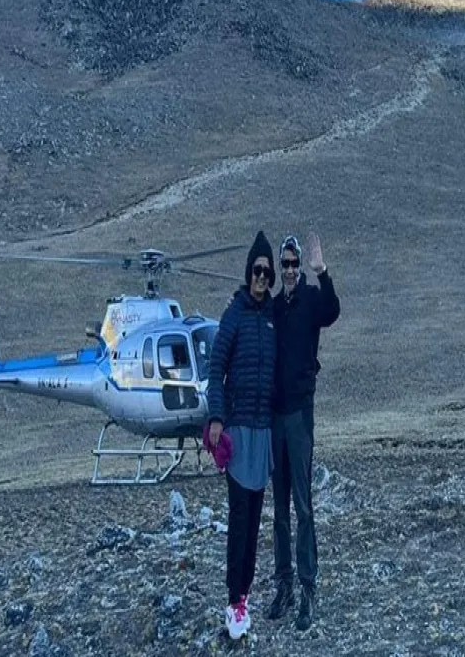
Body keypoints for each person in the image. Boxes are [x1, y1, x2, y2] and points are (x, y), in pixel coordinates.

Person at [266, 232, 340, 631]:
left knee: (303, 505)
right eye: (287, 265)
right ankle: (284, 585)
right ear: (280, 269)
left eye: (296, 265)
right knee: (278, 510)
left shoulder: (312, 300)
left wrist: (322, 272)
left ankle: (309, 588)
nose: (291, 271)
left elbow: (334, 311)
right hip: (275, 416)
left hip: (299, 415)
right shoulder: (274, 308)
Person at [206, 231, 277, 641]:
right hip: (236, 432)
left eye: (267, 271)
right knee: (239, 519)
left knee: (254, 522)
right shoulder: (233, 315)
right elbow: (216, 370)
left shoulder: (273, 318)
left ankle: (244, 595)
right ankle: (233, 599)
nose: (263, 277)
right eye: (258, 270)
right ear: (248, 272)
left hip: (264, 432)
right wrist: (217, 418)